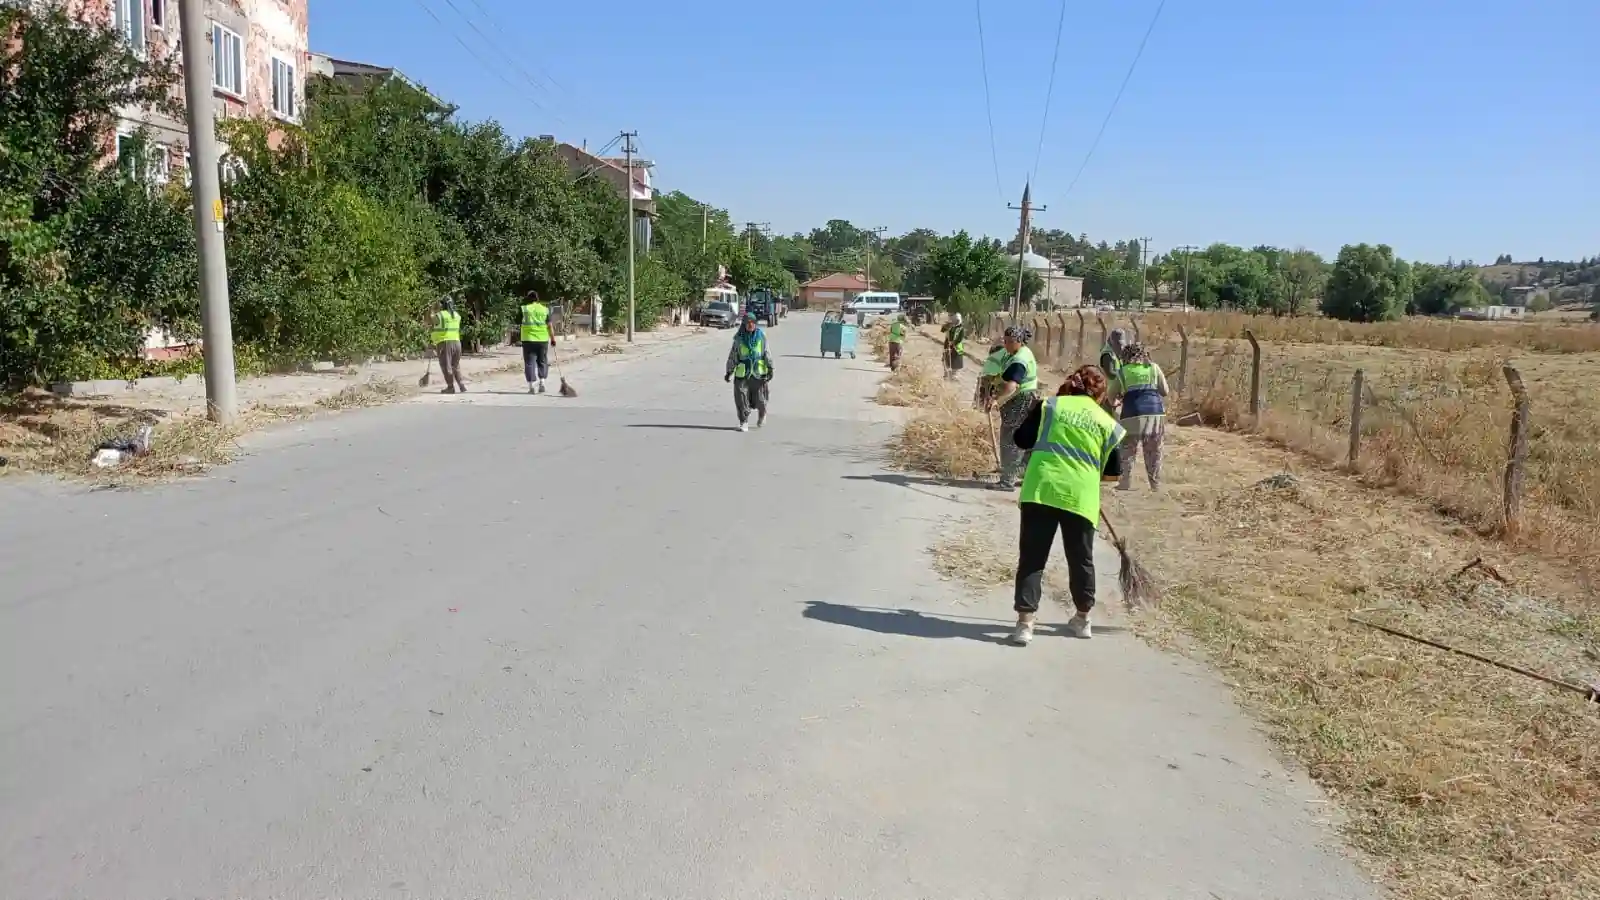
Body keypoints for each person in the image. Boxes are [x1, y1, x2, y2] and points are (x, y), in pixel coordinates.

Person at [1008, 365, 1126, 645]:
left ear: (1070, 384)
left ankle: (1025, 624)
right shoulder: (1107, 422)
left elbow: (1021, 439)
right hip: (1081, 496)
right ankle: (1083, 619)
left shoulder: (1049, 406)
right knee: (1081, 559)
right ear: (1100, 395)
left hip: (1042, 489)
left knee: (1033, 558)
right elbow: (1112, 473)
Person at [1110, 342, 1171, 491]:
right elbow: (1165, 391)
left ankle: (1124, 483)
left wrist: (1116, 404)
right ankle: (1155, 485)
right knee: (1154, 452)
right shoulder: (1153, 368)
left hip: (1131, 414)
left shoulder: (1122, 372)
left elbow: (1111, 395)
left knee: (1127, 450)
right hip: (1155, 415)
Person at [988, 325, 1041, 490]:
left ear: (1019, 341)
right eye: (1005, 341)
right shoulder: (1018, 353)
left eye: (1010, 342)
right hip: (1024, 399)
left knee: (1010, 439)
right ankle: (1023, 475)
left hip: (1020, 400)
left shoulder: (1020, 360)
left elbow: (1012, 386)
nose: (1007, 345)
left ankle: (1007, 481)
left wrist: (997, 399)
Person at [725, 313, 774, 432]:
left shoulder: (761, 337)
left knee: (761, 400)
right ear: (744, 324)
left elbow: (766, 353)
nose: (750, 325)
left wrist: (770, 368)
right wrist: (729, 371)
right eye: (748, 323)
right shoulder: (739, 339)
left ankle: (762, 414)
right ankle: (744, 422)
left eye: (752, 322)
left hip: (758, 374)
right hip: (742, 374)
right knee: (741, 398)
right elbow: (733, 356)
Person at [430, 296, 467, 394]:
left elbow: (431, 320)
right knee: (456, 365)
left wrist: (433, 310)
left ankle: (450, 387)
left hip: (445, 343)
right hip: (457, 342)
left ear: (443, 305)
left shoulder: (440, 315)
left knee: (446, 366)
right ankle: (461, 384)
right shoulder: (457, 315)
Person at [519, 291, 552, 394]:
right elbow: (550, 326)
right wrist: (553, 338)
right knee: (542, 361)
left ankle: (531, 387)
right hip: (542, 339)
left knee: (529, 362)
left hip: (528, 339)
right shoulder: (545, 310)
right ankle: (542, 383)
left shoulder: (524, 309)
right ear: (538, 299)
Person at [1098, 328, 1128, 417]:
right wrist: (1125, 377)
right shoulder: (1107, 354)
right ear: (1111, 342)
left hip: (1113, 392)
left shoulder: (1115, 353)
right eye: (1117, 344)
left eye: (1121, 344)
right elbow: (1110, 373)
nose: (1120, 347)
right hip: (1106, 392)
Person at [942, 313, 966, 379]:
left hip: (956, 347)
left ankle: (954, 375)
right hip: (947, 346)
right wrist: (946, 325)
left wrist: (953, 343)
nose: (956, 321)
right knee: (945, 359)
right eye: (955, 320)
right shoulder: (950, 326)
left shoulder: (961, 328)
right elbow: (942, 330)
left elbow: (960, 338)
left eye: (957, 320)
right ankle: (946, 374)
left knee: (956, 361)